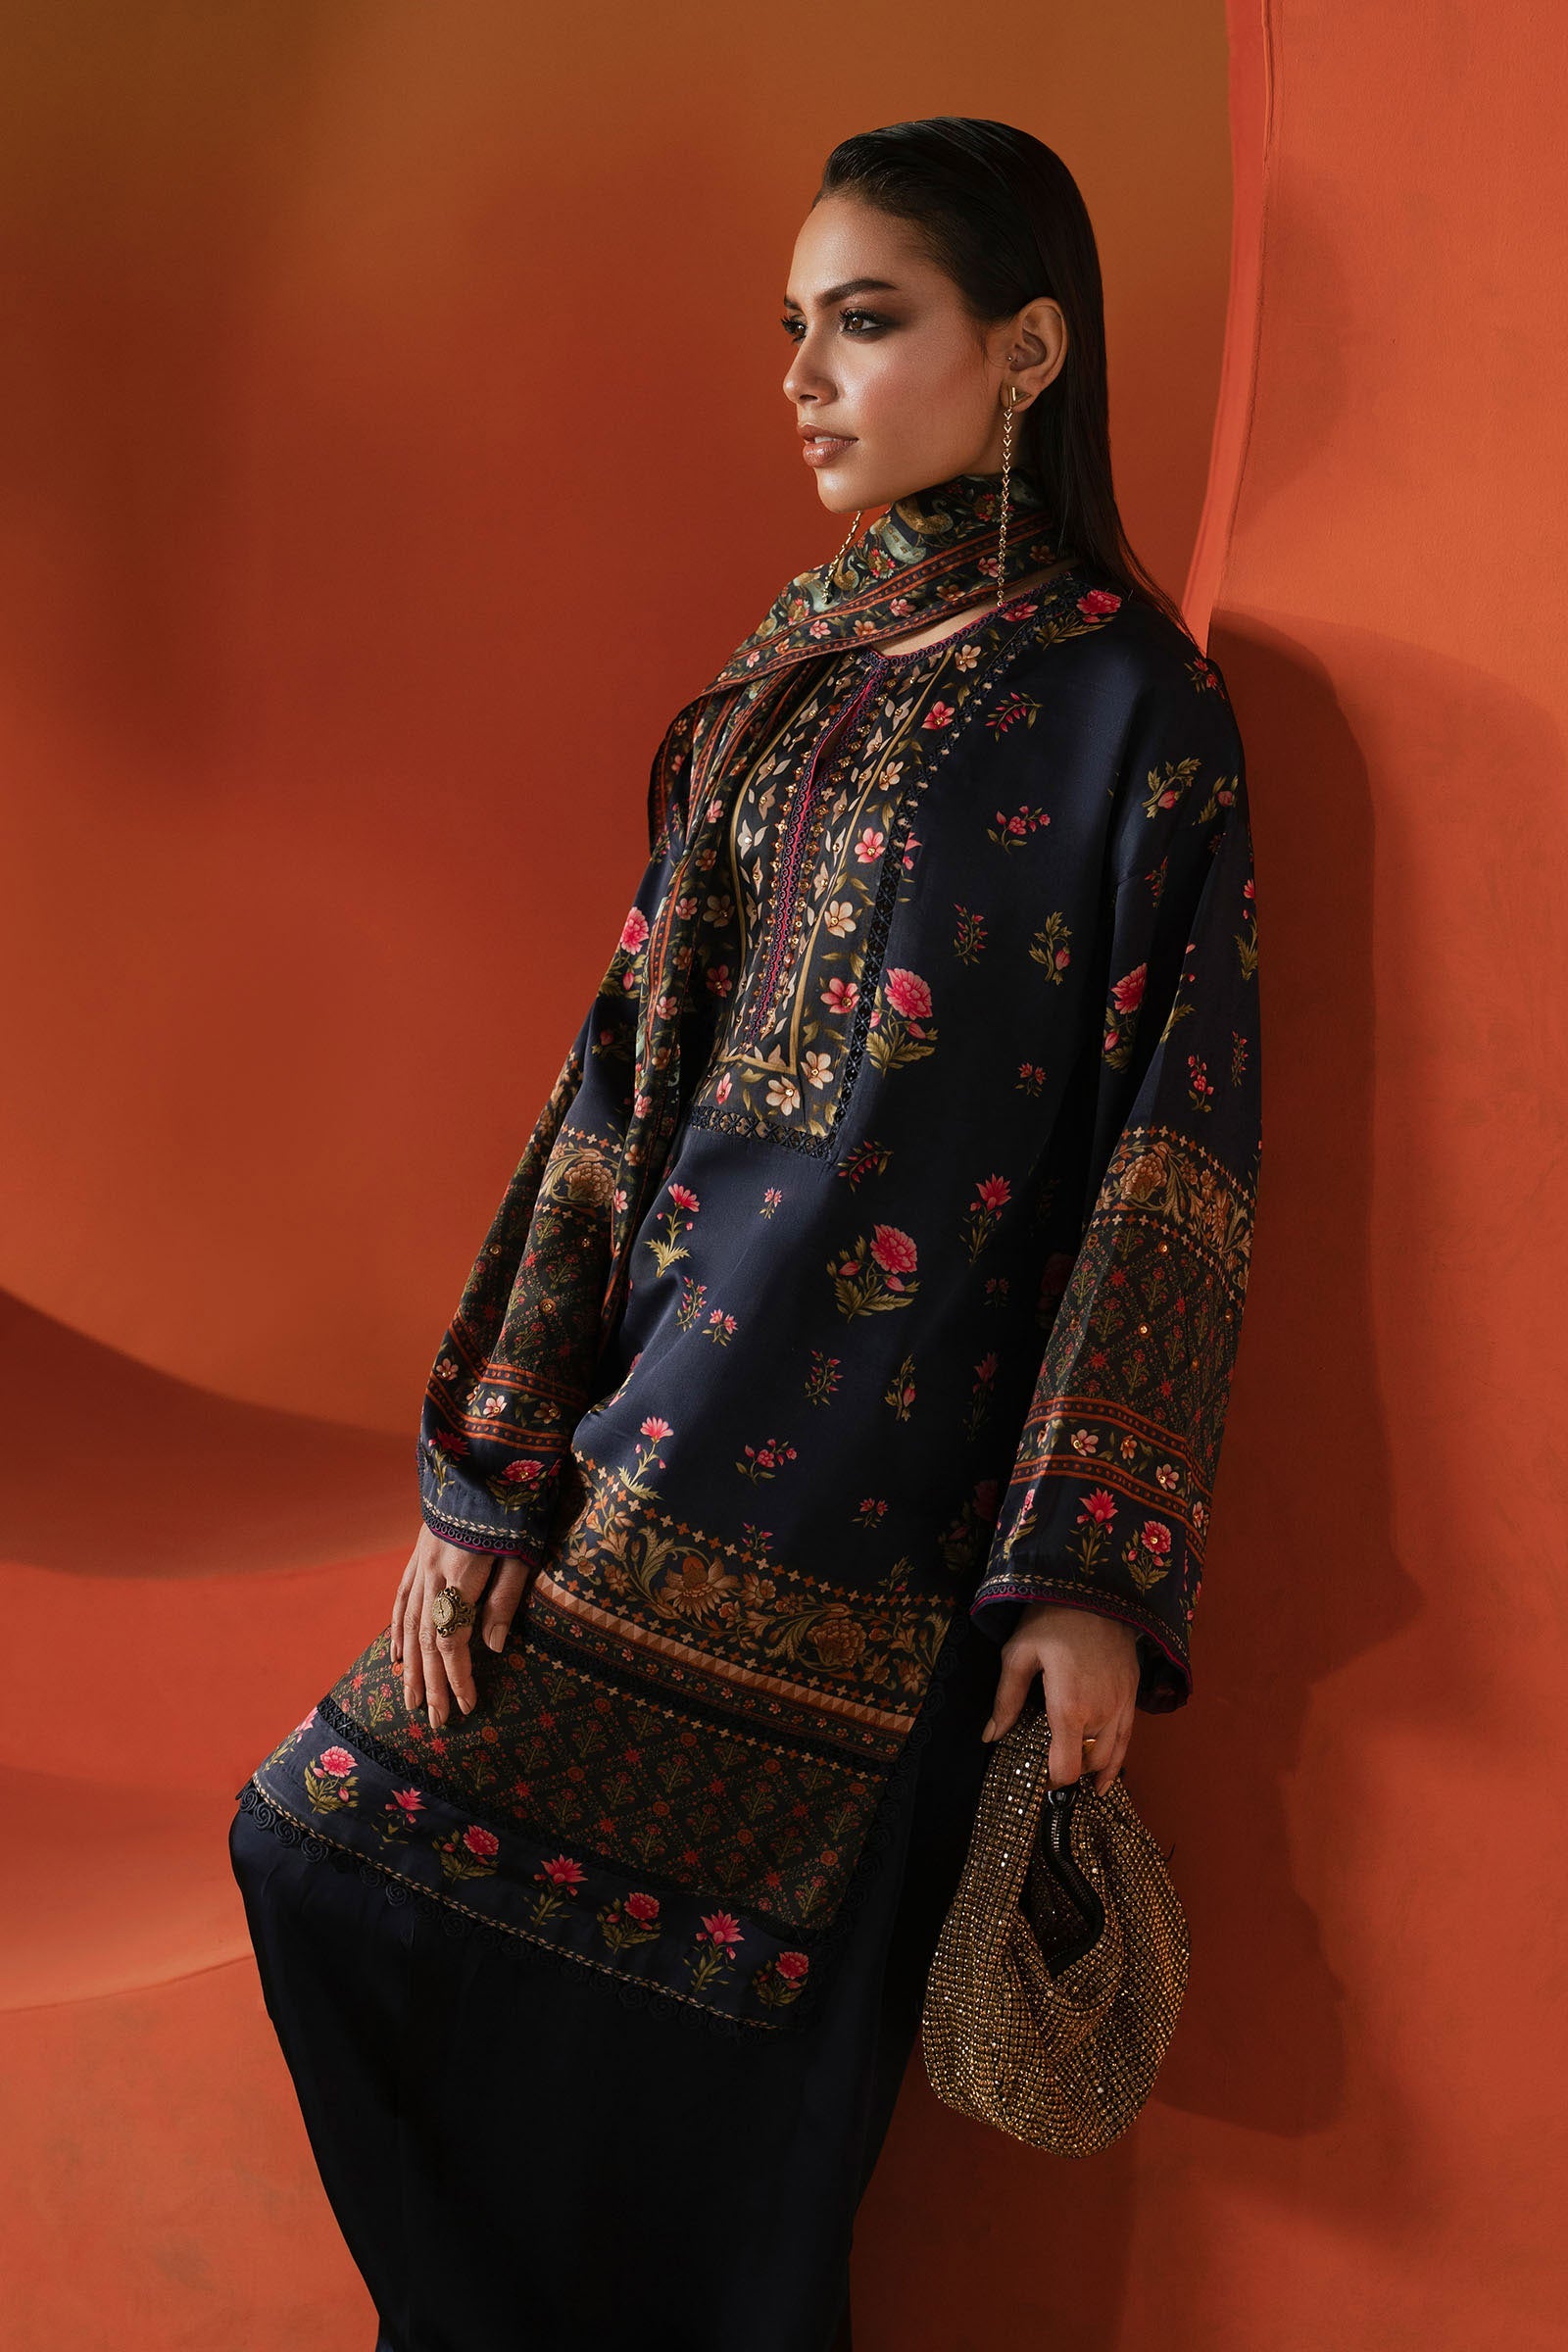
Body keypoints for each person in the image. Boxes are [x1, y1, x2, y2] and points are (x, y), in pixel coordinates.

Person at [229, 115, 1262, 2352]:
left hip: (889, 1553)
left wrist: (1089, 1574)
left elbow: (1165, 1162)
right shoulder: (787, 669)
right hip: (648, 1460)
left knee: (747, 2151)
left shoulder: (1136, 713)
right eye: (793, 329)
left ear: (1028, 350)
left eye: (864, 323)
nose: (802, 378)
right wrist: (494, 1466)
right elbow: (622, 1075)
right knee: (316, 1857)